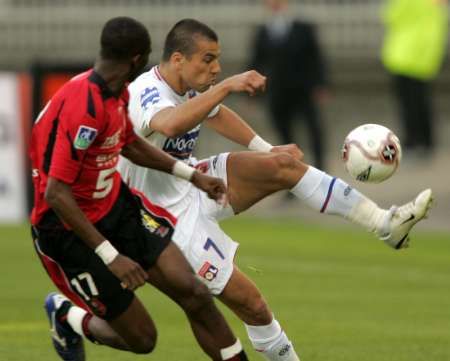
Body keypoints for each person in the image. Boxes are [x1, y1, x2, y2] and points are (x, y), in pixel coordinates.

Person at [118, 19, 433, 361]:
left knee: (282, 166)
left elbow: (216, 114)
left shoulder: (190, 86)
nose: (216, 67)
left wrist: (267, 148)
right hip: (161, 216)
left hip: (193, 181)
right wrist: (224, 86)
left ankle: (384, 224)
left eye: (217, 59)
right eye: (207, 59)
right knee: (252, 305)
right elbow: (169, 122)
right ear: (178, 59)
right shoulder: (145, 91)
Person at [29, 17, 249, 361]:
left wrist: (191, 176)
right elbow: (56, 193)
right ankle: (68, 316)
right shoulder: (83, 106)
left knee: (195, 293)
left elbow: (129, 143)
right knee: (143, 340)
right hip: (67, 231)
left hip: (116, 208)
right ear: (137, 58)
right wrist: (111, 256)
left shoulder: (117, 91)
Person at [249, 0, 329, 170]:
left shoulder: (303, 27)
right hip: (277, 91)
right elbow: (256, 62)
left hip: (303, 89)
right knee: (284, 134)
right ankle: (294, 174)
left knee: (314, 131)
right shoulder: (263, 31)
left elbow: (316, 58)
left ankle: (321, 171)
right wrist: (250, 93)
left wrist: (321, 84)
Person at [381, 0, 448, 158]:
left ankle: (412, 143)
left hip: (403, 55)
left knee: (408, 105)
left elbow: (390, 16)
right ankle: (427, 143)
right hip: (425, 56)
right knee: (422, 103)